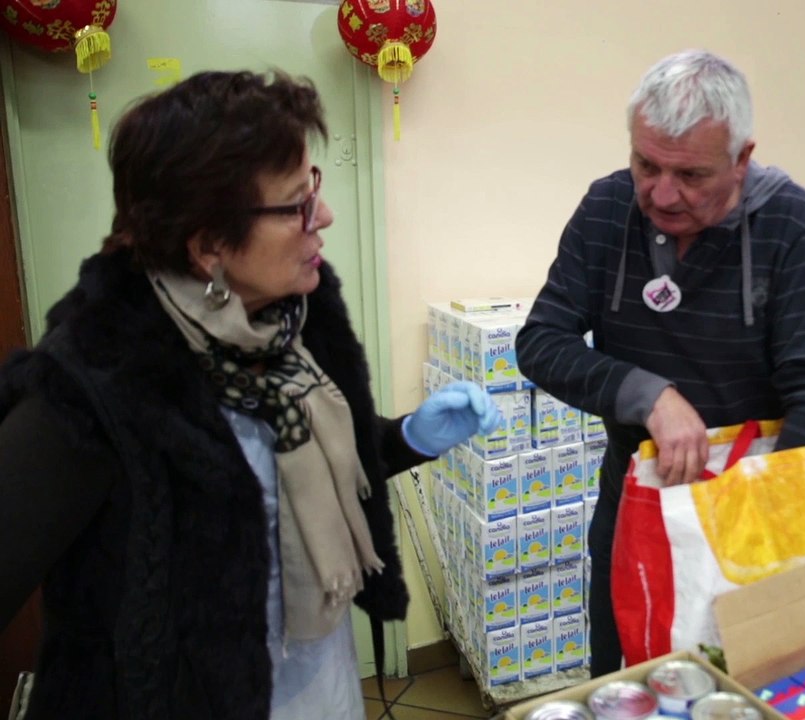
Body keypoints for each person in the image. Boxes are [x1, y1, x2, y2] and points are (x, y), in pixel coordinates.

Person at [0, 71, 498, 720]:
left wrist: (408, 437)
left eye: (312, 186)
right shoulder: (93, 388)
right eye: (294, 204)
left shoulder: (277, 328)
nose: (323, 215)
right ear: (208, 245)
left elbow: (325, 455)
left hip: (316, 689)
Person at [515, 50, 805, 676]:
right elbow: (540, 342)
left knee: (740, 684)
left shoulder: (791, 222)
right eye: (646, 164)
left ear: (742, 159)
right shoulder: (607, 208)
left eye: (691, 175)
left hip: (755, 504)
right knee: (629, 682)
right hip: (636, 503)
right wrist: (649, 396)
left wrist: (766, 526)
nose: (661, 194)